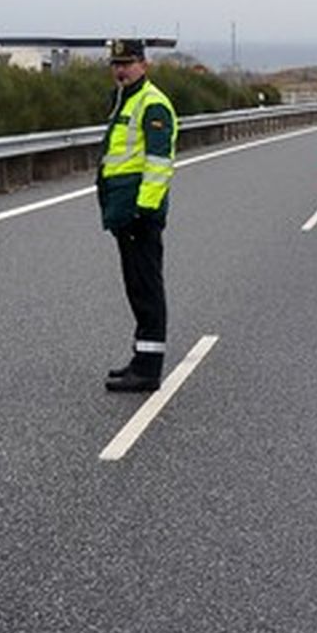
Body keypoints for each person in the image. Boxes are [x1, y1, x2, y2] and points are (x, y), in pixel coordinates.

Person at [98, 38, 177, 392]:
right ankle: (141, 358)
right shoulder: (124, 99)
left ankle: (148, 369)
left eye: (127, 63)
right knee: (136, 286)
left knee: (146, 287)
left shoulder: (153, 104)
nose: (120, 70)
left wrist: (143, 210)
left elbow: (159, 164)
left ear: (144, 64)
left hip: (138, 213)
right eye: (116, 64)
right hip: (123, 210)